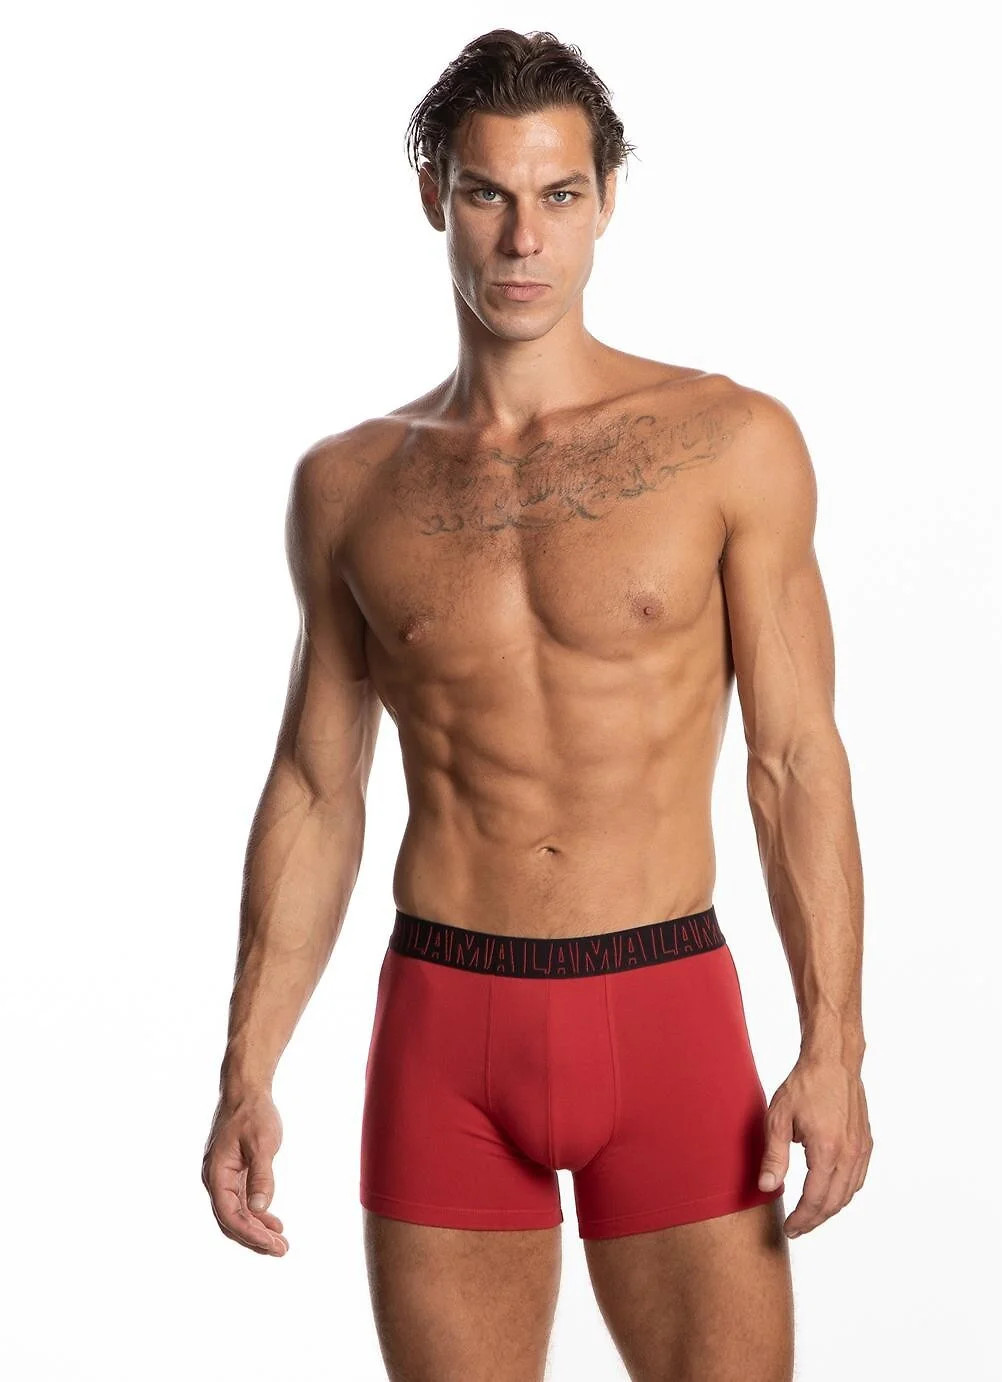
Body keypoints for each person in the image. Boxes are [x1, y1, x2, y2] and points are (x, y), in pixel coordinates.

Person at [201, 26, 872, 1382]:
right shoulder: (350, 485)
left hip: (667, 1006)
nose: (523, 240)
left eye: (559, 195)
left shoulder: (728, 443)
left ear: (608, 198)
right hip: (445, 1026)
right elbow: (318, 788)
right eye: (487, 193)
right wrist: (247, 1066)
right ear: (433, 197)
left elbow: (794, 761)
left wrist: (835, 1045)